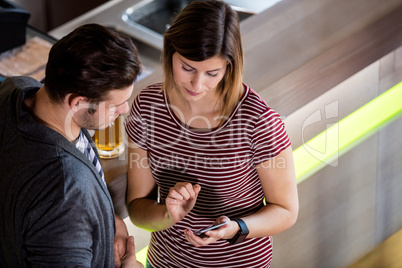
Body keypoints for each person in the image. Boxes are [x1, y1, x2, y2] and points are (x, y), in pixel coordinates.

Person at [124, 0, 299, 267]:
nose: (197, 84)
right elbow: (137, 209)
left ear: (229, 67)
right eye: (187, 68)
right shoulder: (148, 106)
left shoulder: (258, 121)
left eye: (212, 73)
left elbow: (286, 211)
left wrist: (237, 227)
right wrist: (169, 215)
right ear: (170, 51)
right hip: (166, 261)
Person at [0, 24, 143, 267]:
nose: (125, 110)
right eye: (115, 104)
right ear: (77, 103)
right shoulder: (65, 188)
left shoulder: (16, 89)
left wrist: (106, 220)